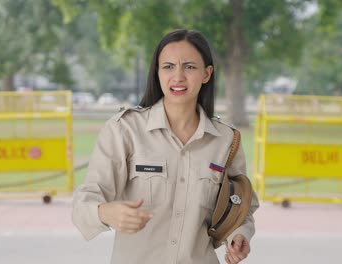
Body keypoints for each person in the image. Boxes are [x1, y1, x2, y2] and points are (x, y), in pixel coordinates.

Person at [72, 28, 259, 264]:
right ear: (157, 73)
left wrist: (240, 234)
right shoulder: (125, 130)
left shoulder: (226, 140)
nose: (178, 76)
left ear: (206, 74)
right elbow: (83, 202)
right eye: (168, 66)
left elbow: (243, 206)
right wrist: (106, 212)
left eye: (189, 67)